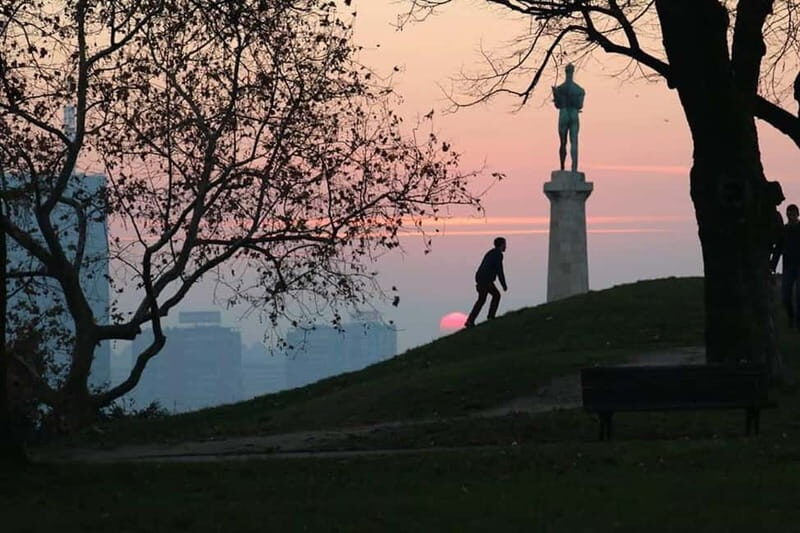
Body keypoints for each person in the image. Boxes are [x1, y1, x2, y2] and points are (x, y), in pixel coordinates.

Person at [465, 237, 508, 328]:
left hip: (481, 278)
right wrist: (503, 285)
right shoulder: (498, 254)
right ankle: (489, 317)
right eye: (505, 244)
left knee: (482, 299)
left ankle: (470, 321)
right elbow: (499, 270)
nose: (506, 247)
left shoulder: (491, 252)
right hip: (485, 279)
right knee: (495, 296)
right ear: (501, 245)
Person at [551, 63, 586, 172]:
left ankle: (562, 167)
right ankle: (574, 168)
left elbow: (557, 105)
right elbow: (580, 105)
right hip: (574, 113)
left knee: (563, 142)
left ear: (565, 72)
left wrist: (556, 95)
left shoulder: (560, 89)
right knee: (574, 141)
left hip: (564, 113)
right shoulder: (579, 90)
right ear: (573, 72)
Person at [770, 203, 800, 328]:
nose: (791, 216)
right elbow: (778, 249)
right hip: (788, 266)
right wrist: (772, 265)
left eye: (793, 214)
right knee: (785, 296)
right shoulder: (784, 230)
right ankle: (791, 317)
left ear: (797, 215)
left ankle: (797, 321)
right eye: (789, 213)